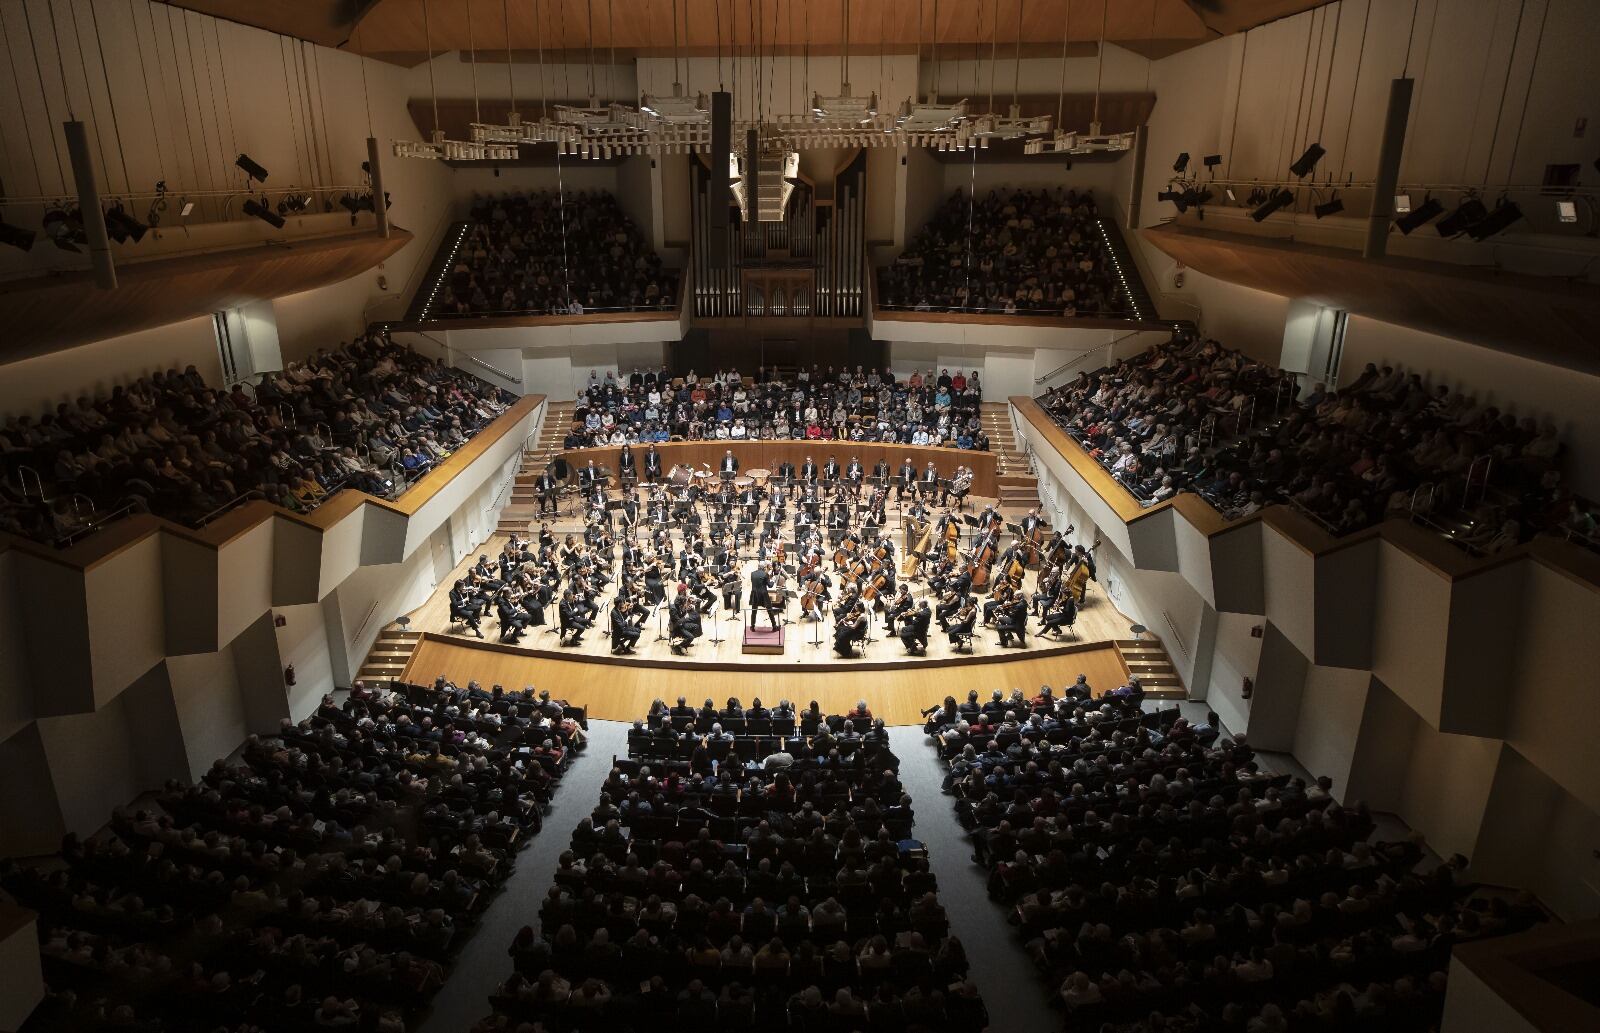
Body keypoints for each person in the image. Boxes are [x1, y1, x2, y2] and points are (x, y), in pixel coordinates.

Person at [749, 561, 780, 630]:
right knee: (769, 610)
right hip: (763, 594)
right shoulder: (765, 574)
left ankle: (752, 626)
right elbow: (770, 585)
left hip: (754, 593)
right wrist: (773, 580)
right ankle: (774, 626)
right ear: (764, 567)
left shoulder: (752, 574)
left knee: (754, 610)